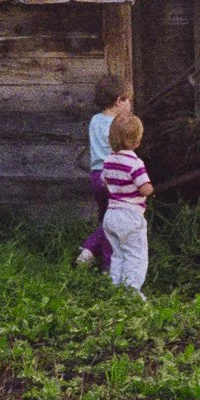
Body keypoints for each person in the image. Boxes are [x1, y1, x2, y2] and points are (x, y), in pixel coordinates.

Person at [75, 74, 131, 270]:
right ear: (119, 101)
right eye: (127, 100)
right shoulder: (118, 127)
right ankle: (108, 266)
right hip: (113, 176)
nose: (129, 104)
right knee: (114, 223)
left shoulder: (95, 121)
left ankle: (88, 252)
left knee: (107, 218)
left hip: (96, 175)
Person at [99, 112, 154, 295]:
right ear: (137, 141)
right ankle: (131, 293)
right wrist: (151, 190)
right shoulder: (135, 163)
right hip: (130, 216)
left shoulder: (108, 160)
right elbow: (144, 187)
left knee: (118, 254)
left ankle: (116, 288)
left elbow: (104, 181)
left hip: (112, 214)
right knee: (136, 256)